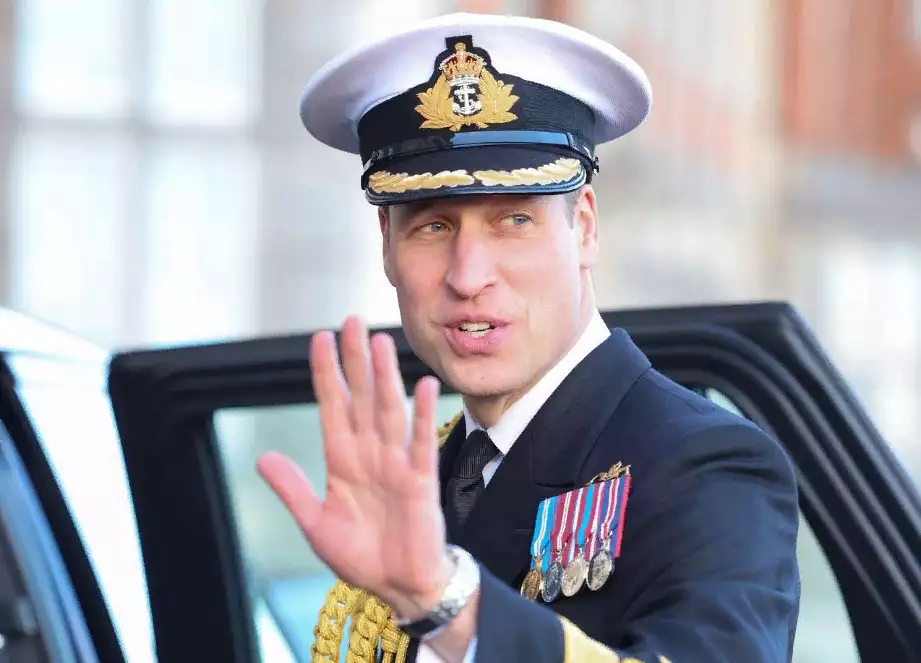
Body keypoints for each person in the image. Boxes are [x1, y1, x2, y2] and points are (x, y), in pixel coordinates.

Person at [256, 12, 801, 663]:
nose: (468, 276)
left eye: (513, 220)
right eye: (432, 226)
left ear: (585, 227)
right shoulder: (427, 474)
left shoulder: (706, 465)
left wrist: (442, 601)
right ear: (387, 248)